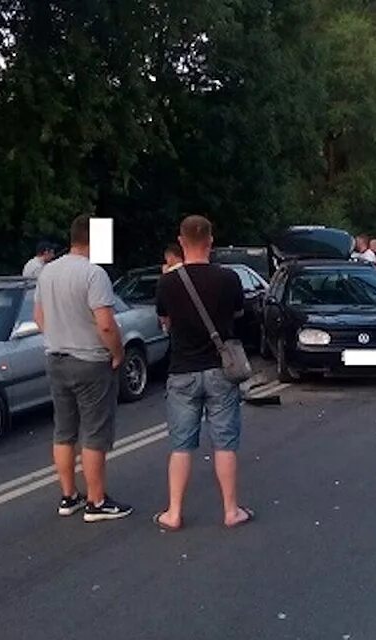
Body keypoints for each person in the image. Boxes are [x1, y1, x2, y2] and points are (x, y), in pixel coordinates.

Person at [153, 214, 254, 531]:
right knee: (225, 442)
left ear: (181, 242)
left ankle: (174, 512)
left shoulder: (167, 282)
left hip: (182, 370)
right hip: (221, 369)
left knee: (181, 444)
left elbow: (165, 321)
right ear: (211, 241)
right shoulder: (229, 278)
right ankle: (230, 510)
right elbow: (238, 312)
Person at [34, 215, 131, 522]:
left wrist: (58, 335)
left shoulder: (47, 272)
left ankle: (68, 496)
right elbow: (105, 324)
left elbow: (39, 317)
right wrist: (117, 353)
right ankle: (97, 501)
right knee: (94, 432)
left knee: (64, 431)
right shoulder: (94, 274)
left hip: (56, 358)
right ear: (94, 239)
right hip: (89, 361)